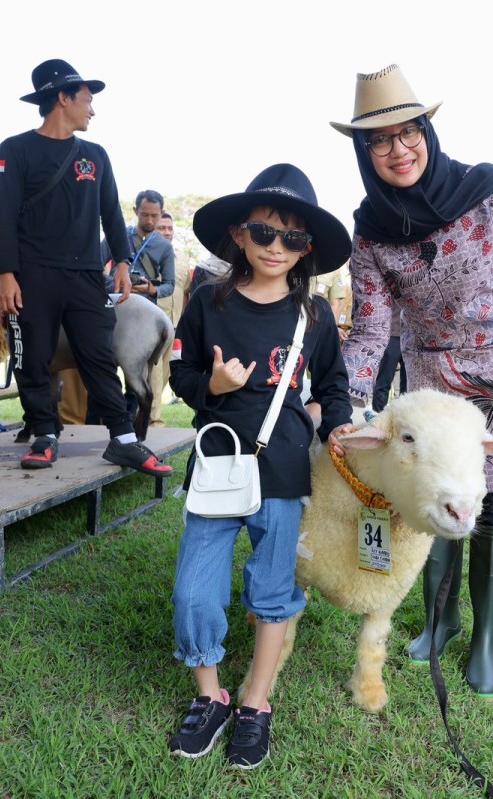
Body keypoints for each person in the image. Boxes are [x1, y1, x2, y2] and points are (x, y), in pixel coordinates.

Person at [329, 64, 493, 699]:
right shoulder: (370, 232)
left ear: (427, 132)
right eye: (380, 140)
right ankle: (441, 620)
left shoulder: (488, 193)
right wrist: (348, 399)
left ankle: (485, 638)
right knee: (433, 493)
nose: (398, 149)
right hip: (440, 385)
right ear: (364, 151)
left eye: (408, 132)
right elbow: (371, 327)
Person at [167, 164, 353, 767]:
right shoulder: (206, 302)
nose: (278, 247)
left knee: (272, 591)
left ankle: (255, 701)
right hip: (218, 467)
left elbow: (333, 384)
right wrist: (213, 386)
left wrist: (339, 423)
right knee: (194, 591)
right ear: (239, 235)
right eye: (265, 232)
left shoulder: (315, 315)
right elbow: (181, 374)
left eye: (293, 238)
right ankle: (210, 696)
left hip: (282, 473)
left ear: (308, 249)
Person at [0, 58, 172, 477]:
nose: (92, 110)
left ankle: (123, 440)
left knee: (99, 356)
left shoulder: (95, 155)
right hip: (32, 275)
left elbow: (111, 212)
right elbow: (4, 215)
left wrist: (122, 261)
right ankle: (44, 434)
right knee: (32, 358)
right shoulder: (14, 150)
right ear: (63, 98)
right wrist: (6, 275)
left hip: (88, 276)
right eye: (87, 100)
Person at [100, 189, 175, 304]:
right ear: (136, 211)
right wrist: (115, 282)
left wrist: (153, 290)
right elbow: (95, 267)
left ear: (162, 213)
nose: (149, 221)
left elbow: (170, 285)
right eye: (144, 215)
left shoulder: (165, 247)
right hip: (115, 300)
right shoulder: (118, 236)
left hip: (145, 306)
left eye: (154, 216)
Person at [154, 211, 191, 417]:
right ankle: (152, 422)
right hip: (151, 327)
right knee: (153, 373)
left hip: (174, 325)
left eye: (170, 228)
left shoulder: (182, 257)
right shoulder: (145, 255)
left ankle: (143, 415)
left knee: (166, 373)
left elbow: (185, 291)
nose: (167, 232)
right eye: (161, 228)